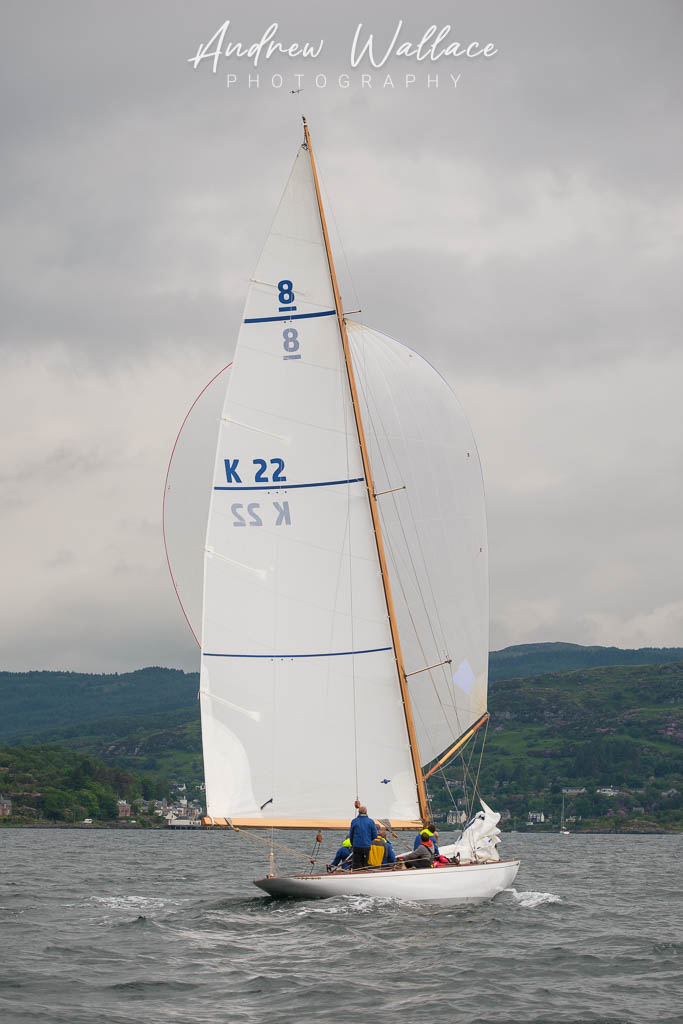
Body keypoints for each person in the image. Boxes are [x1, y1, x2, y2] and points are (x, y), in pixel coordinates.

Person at [349, 805, 377, 869]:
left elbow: (351, 835)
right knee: (365, 864)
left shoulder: (354, 821)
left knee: (356, 865)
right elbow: (375, 835)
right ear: (366, 812)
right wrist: (368, 840)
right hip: (366, 846)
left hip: (357, 846)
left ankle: (356, 875)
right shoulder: (371, 821)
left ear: (359, 812)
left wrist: (352, 844)